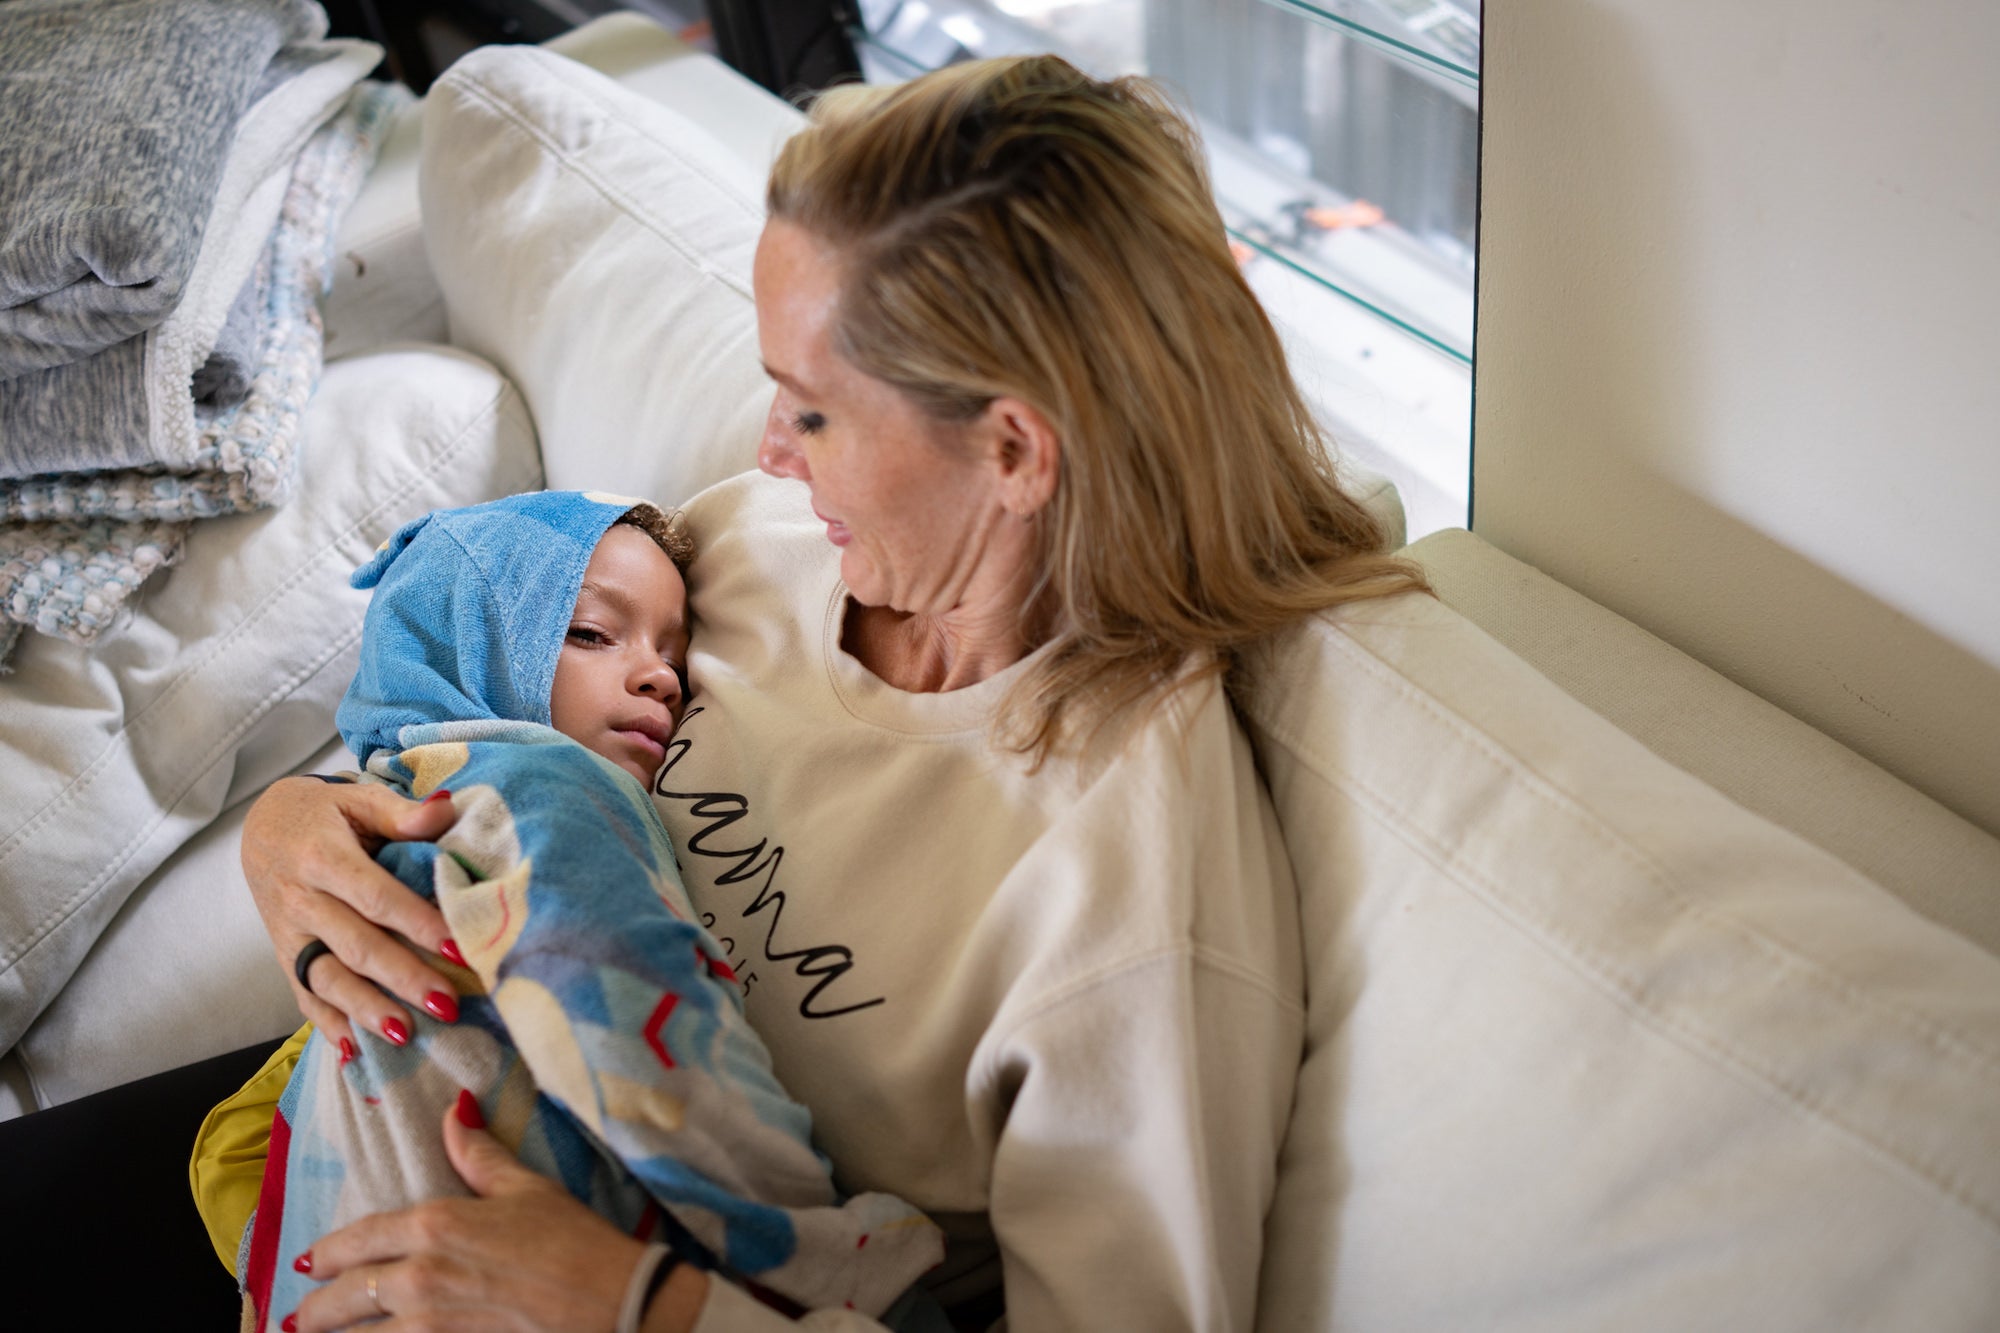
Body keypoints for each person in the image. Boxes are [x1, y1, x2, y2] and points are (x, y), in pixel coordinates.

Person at [236, 53, 1429, 1333]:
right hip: (352, 1137)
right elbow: (490, 716)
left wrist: (644, 1309)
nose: (763, 450)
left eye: (810, 413)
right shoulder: (767, 542)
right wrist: (299, 828)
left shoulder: (1125, 888)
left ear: (1013, 449)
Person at [235, 491, 942, 1331]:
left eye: (673, 650)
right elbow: (647, 1043)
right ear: (470, 644)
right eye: (592, 634)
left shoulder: (402, 799)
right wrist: (839, 1265)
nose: (663, 676)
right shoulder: (546, 785)